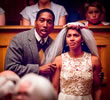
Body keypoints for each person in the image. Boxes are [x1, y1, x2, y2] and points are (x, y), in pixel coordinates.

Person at [42, 22, 102, 100]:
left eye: (76, 35)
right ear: (66, 39)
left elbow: (97, 89)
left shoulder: (94, 60)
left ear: (83, 39)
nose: (72, 39)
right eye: (69, 36)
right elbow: (54, 88)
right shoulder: (59, 60)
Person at [4, 9, 56, 77]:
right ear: (35, 22)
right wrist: (38, 70)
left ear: (53, 26)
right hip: (22, 84)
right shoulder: (19, 39)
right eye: (42, 20)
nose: (45, 25)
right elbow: (10, 68)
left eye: (49, 22)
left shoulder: (54, 44)